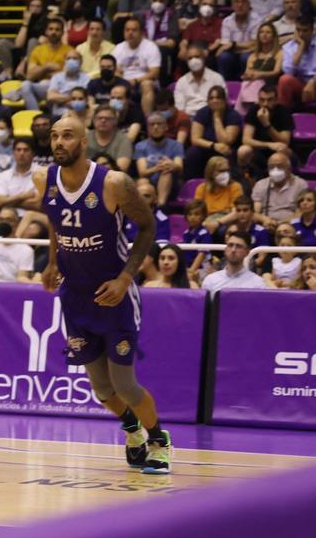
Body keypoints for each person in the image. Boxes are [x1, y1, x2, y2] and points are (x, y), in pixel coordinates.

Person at [36, 115, 173, 475]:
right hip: (75, 297)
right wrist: (52, 262)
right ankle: (133, 431)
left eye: (67, 136)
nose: (58, 142)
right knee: (101, 390)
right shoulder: (45, 180)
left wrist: (126, 278)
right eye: (54, 136)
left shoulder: (113, 182)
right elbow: (56, 221)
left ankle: (158, 440)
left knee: (125, 385)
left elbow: (147, 227)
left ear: (84, 142)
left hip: (114, 296)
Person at [200, 232, 268, 293]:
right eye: (230, 245)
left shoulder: (258, 284)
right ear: (225, 249)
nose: (233, 250)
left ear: (247, 252)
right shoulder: (211, 280)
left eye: (239, 246)